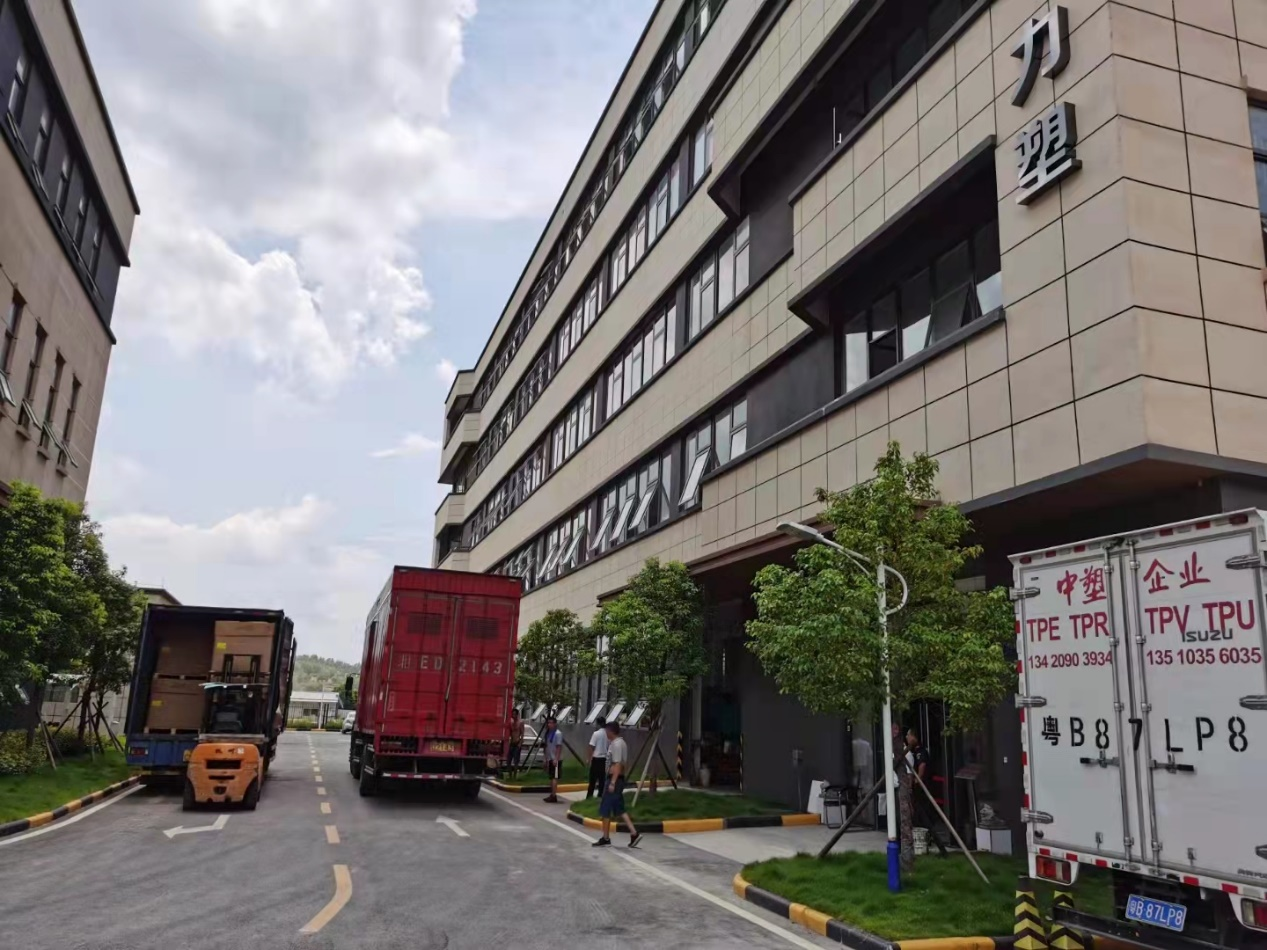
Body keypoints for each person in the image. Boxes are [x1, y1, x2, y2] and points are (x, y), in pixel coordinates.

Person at [592, 720, 641, 848]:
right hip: (616, 779)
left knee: (605, 808)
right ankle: (634, 833)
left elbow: (618, 764)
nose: (606, 733)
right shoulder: (618, 743)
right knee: (619, 809)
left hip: (614, 779)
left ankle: (605, 837)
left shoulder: (617, 744)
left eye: (607, 731)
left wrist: (612, 782)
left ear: (610, 731)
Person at [905, 728, 947, 857]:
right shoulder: (913, 751)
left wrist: (918, 779)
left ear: (914, 737)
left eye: (908, 735)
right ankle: (924, 838)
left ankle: (932, 839)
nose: (907, 738)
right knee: (919, 814)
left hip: (923, 788)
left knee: (924, 813)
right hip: (919, 788)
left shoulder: (920, 751)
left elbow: (922, 765)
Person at [542, 715, 565, 803]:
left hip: (556, 759)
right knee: (551, 777)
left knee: (554, 777)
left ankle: (554, 795)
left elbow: (559, 747)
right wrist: (546, 759)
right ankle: (552, 794)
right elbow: (547, 747)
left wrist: (556, 759)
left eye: (551, 723)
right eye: (548, 723)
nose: (549, 724)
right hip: (550, 758)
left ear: (555, 724)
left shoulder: (558, 733)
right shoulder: (548, 733)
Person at [586, 715, 609, 799]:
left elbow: (591, 746)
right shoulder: (608, 734)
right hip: (604, 759)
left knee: (592, 779)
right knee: (602, 779)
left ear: (598, 724)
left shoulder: (596, 734)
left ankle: (589, 796)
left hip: (596, 758)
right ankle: (600, 795)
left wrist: (589, 759)